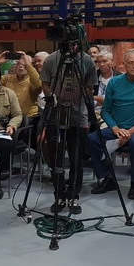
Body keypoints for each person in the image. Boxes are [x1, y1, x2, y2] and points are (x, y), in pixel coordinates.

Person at [40, 44, 97, 215]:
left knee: (76, 160)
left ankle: (73, 195)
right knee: (56, 160)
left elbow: (90, 88)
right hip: (55, 116)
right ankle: (59, 195)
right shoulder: (51, 59)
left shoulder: (87, 60)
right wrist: (55, 97)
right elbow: (45, 84)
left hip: (78, 117)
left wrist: (75, 97)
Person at [88, 49, 134, 199]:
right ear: (124, 65)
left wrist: (131, 131)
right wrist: (116, 129)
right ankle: (107, 177)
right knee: (92, 139)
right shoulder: (115, 82)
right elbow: (106, 110)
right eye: (131, 63)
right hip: (117, 128)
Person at [0, 51, 42, 124]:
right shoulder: (8, 78)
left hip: (29, 119)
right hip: (9, 119)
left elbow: (38, 85)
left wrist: (27, 65)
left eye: (24, 64)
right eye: (18, 63)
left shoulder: (31, 79)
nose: (21, 66)